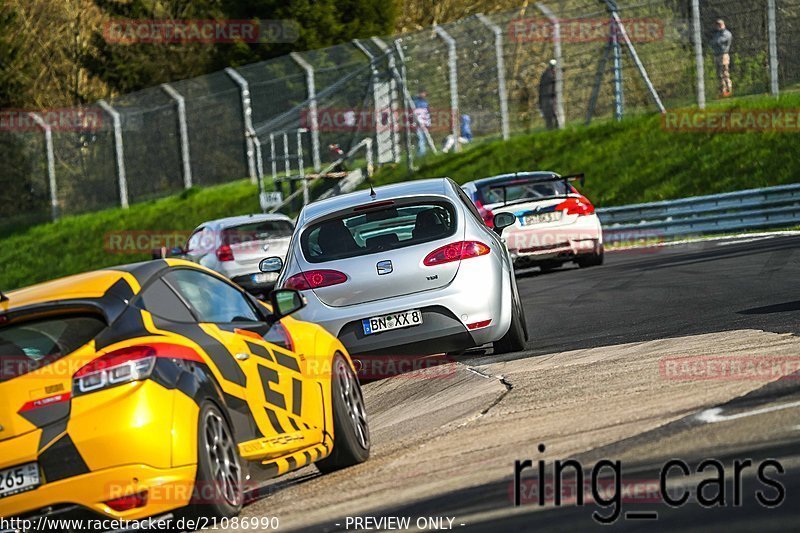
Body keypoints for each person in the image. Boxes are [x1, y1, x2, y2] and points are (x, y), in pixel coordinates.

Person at [711, 19, 733, 97]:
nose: (718, 26)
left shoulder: (727, 34)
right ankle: (722, 91)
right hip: (717, 55)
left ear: (723, 24)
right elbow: (712, 42)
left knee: (725, 73)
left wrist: (716, 42)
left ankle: (728, 90)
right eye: (717, 24)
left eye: (720, 24)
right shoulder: (717, 34)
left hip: (724, 55)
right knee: (719, 74)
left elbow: (719, 42)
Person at [538, 59, 558, 129]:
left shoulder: (544, 75)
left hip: (544, 100)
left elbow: (540, 89)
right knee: (556, 117)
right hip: (551, 100)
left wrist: (540, 103)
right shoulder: (553, 76)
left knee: (549, 120)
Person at [412, 89, 431, 156]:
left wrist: (428, 122)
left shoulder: (425, 102)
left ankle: (423, 153)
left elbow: (427, 113)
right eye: (421, 93)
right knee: (420, 137)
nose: (423, 95)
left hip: (424, 122)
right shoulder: (415, 101)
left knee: (424, 137)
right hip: (417, 122)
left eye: (424, 93)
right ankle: (420, 153)